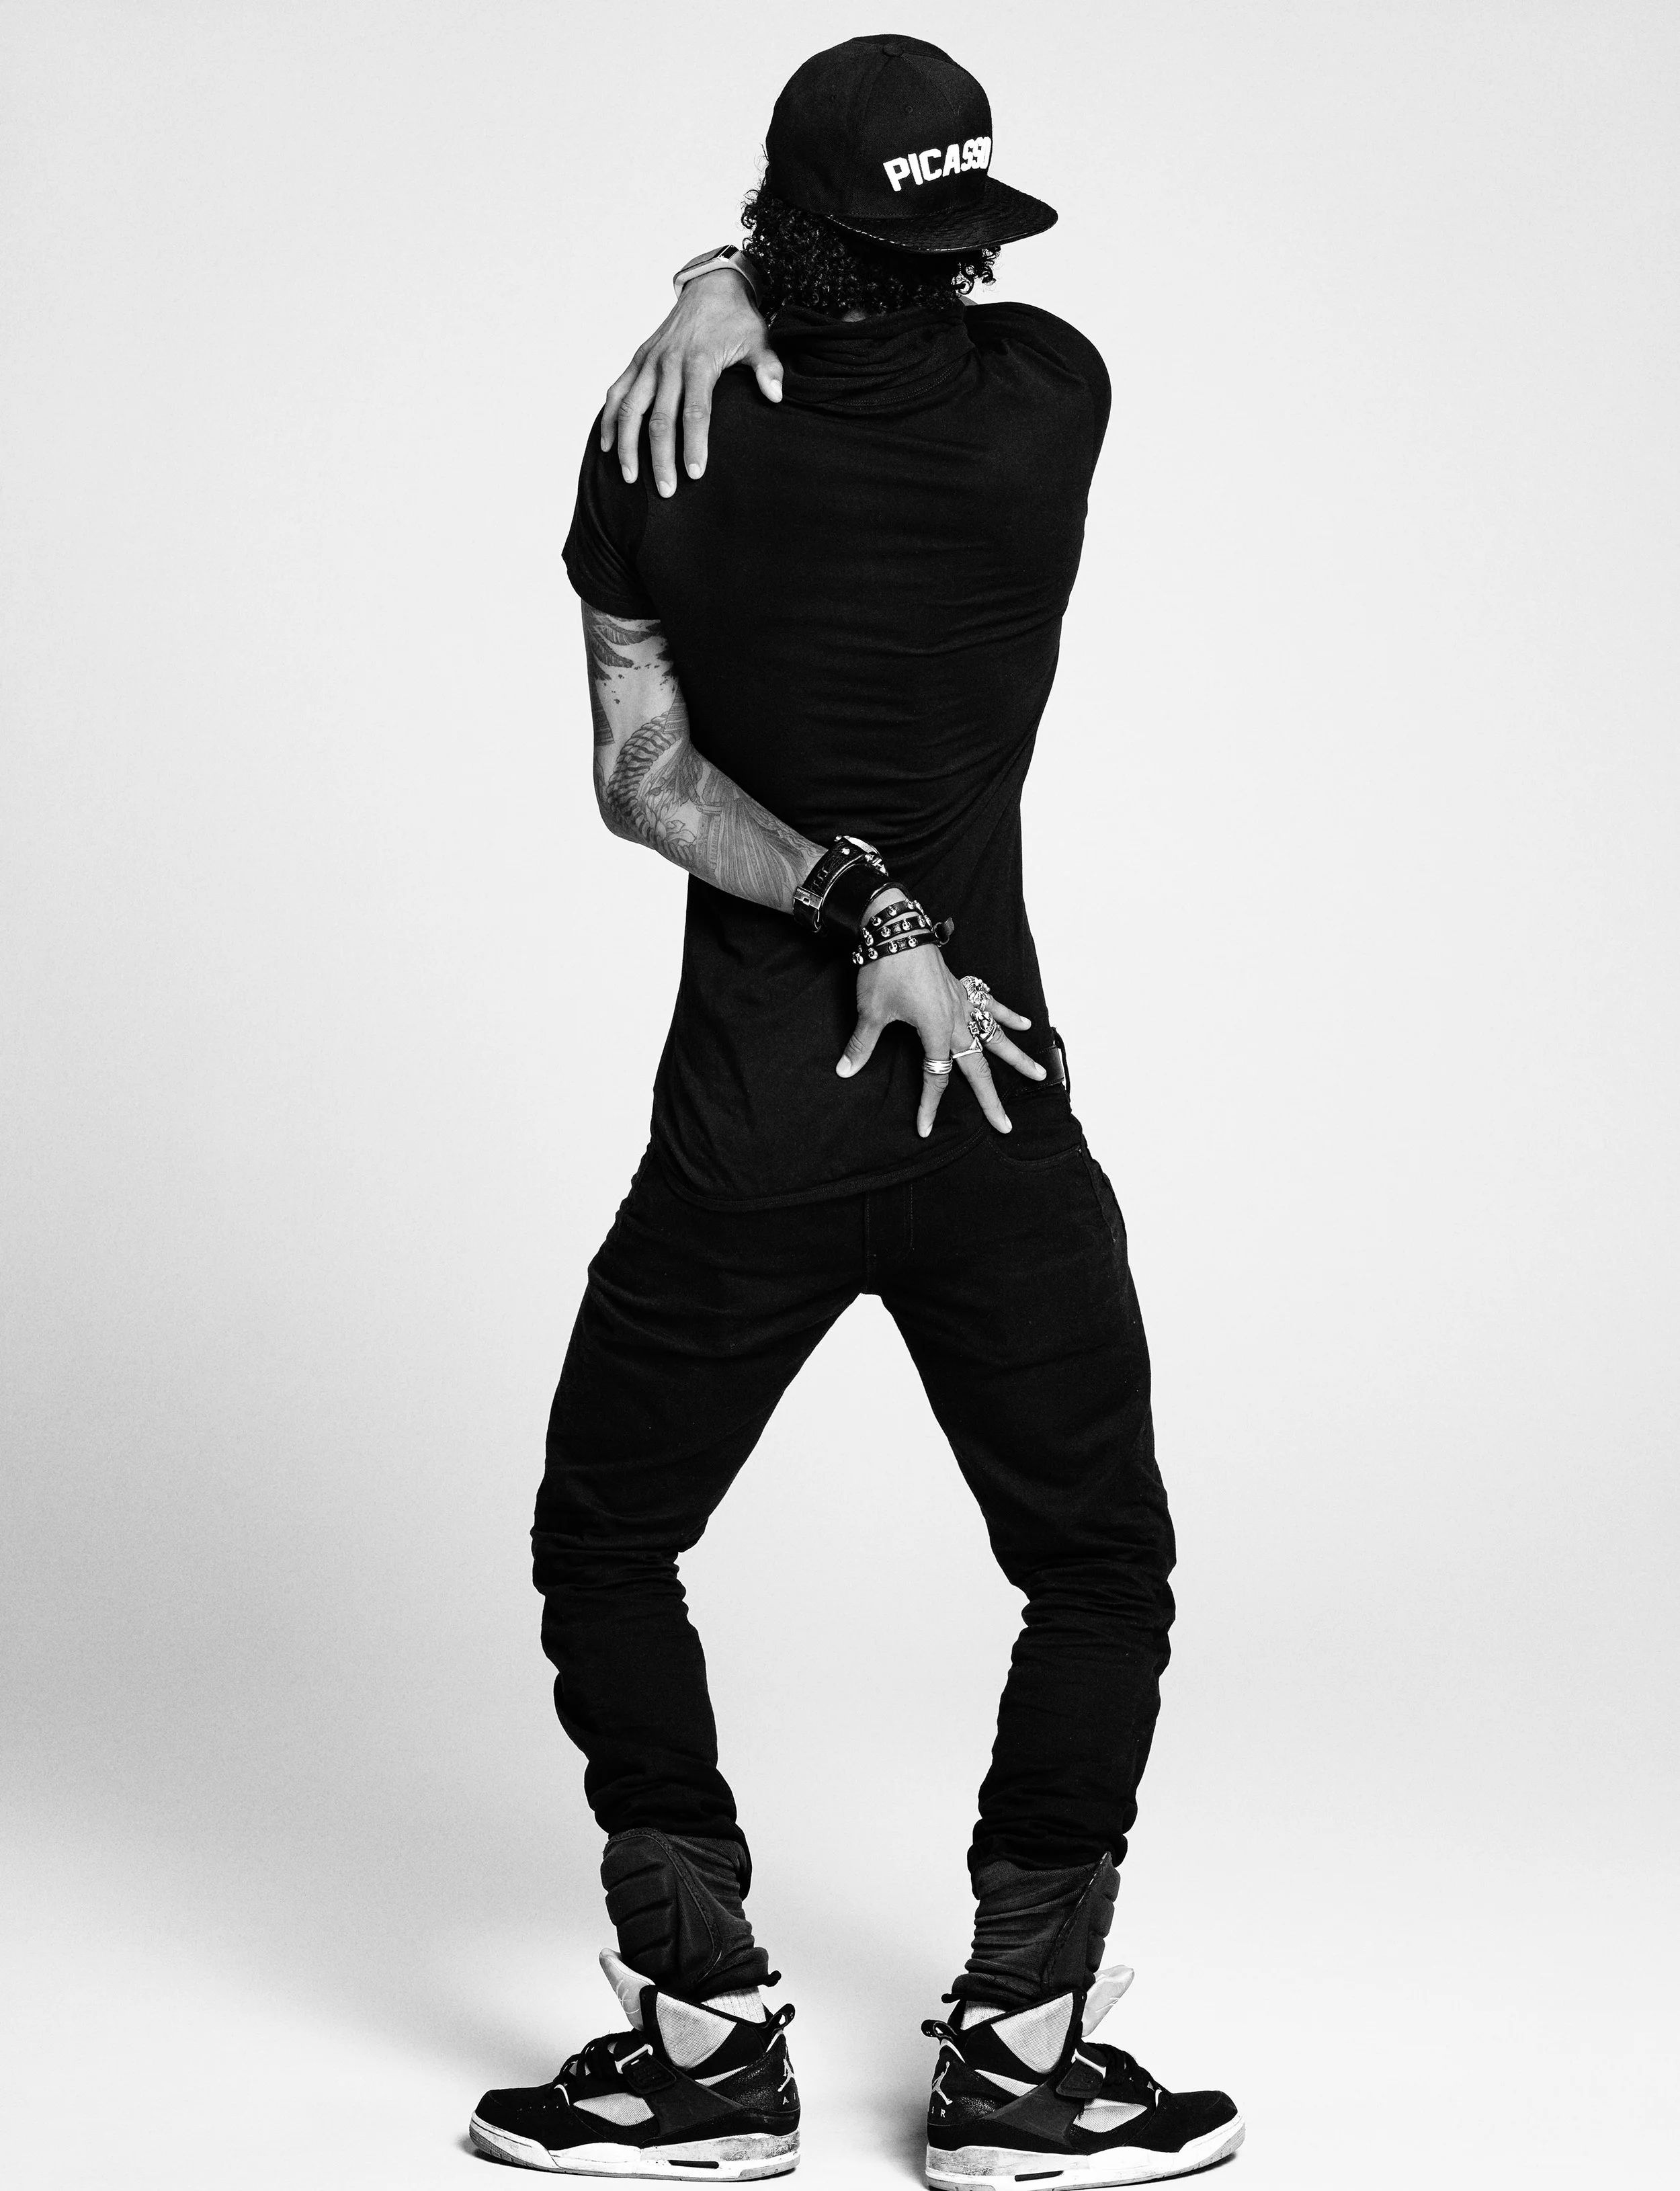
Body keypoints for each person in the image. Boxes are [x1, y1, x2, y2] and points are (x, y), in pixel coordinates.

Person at [470, 34, 1243, 2188]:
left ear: (782, 222)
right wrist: (745, 278)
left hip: (752, 1131)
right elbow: (911, 296)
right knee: (1097, 1564)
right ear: (964, 232)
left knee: (607, 1538)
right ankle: (1020, 2057)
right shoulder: (1051, 401)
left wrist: (708, 285)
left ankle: (706, 2044)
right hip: (991, 1101)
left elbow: (639, 776)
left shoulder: (656, 443)